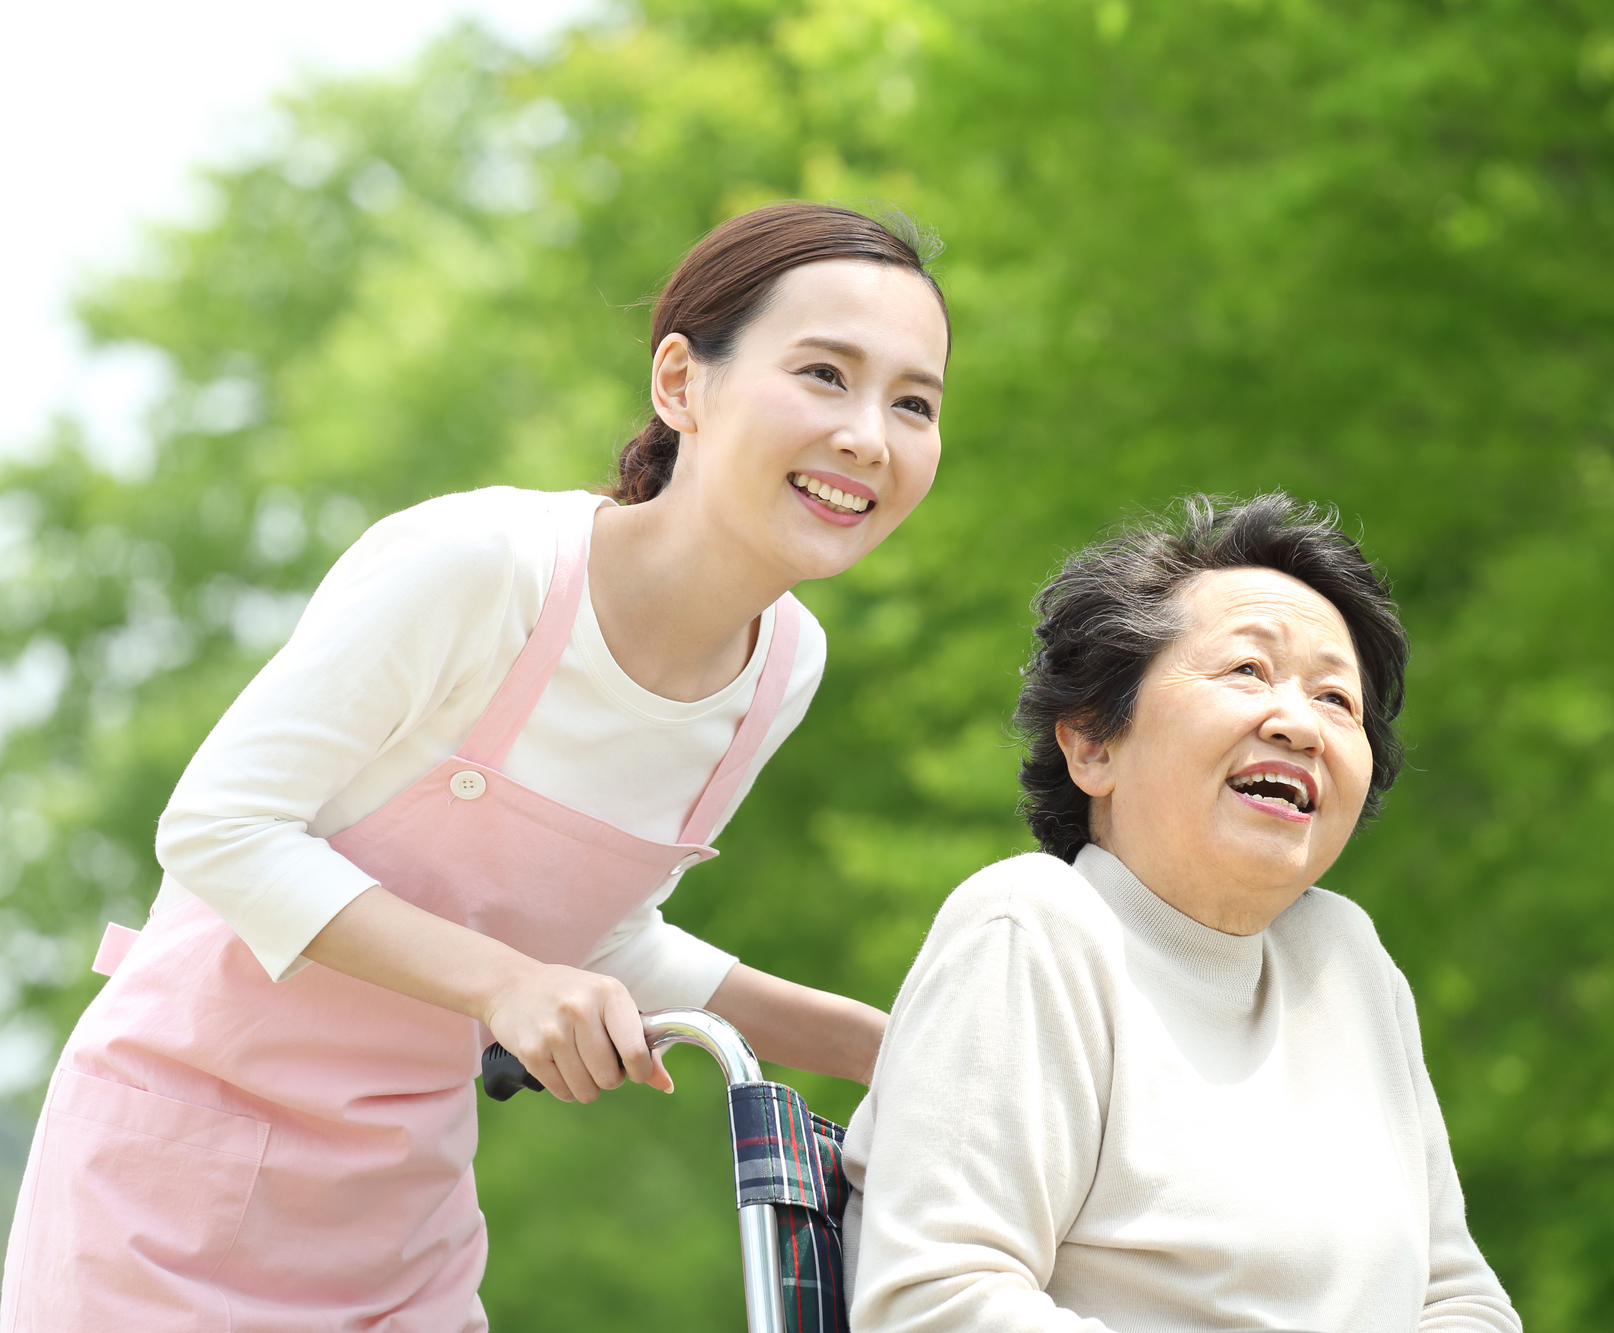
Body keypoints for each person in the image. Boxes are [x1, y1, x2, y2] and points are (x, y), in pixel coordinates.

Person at [1, 202, 951, 1331]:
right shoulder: (483, 566)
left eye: (913, 403)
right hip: (168, 1190)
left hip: (401, 1217)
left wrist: (892, 1050)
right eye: (823, 375)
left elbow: (594, 936)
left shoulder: (782, 667)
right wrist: (505, 984)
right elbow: (219, 830)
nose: (868, 438)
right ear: (680, 384)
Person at [842, 494, 1521, 1333]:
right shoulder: (1034, 929)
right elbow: (935, 1302)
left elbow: (1462, 1302)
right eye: (1248, 670)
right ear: (1093, 741)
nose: (1301, 724)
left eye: (1337, 700)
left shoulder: (1347, 962)